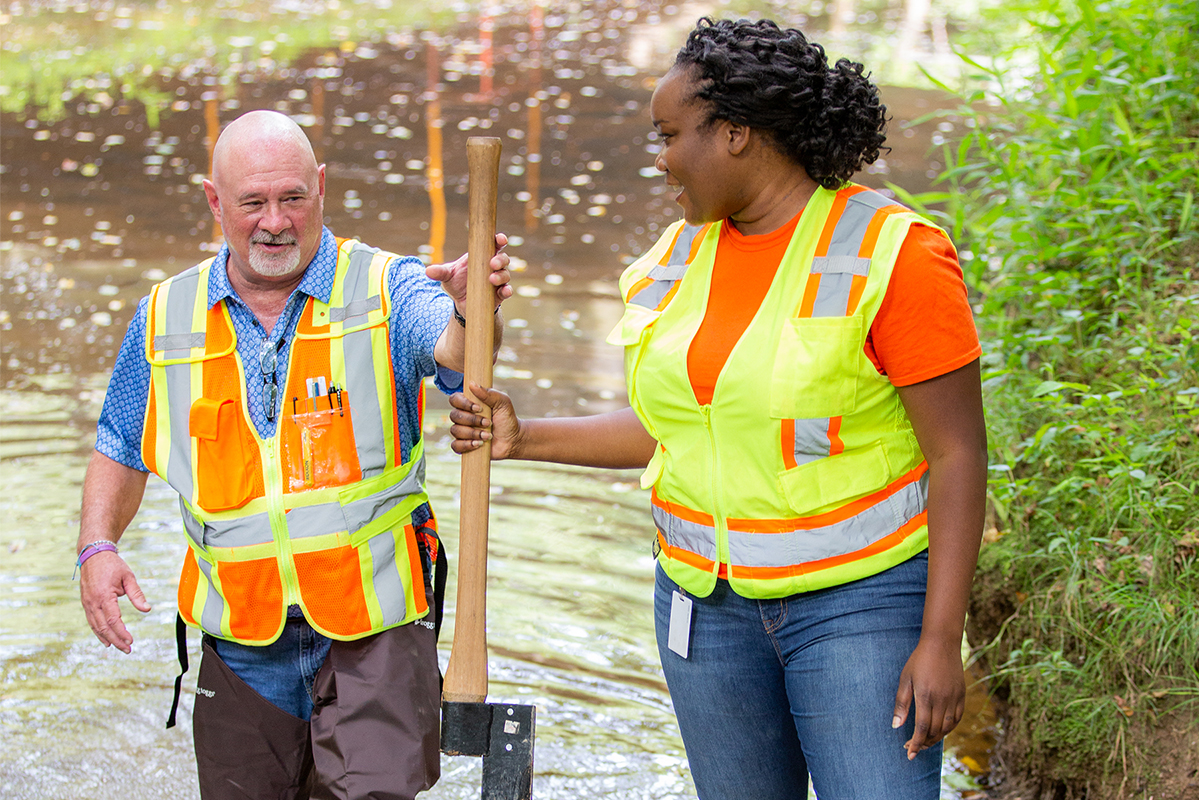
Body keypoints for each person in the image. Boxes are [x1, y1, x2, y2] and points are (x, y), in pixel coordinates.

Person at [448, 17, 987, 800]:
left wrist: (941, 639)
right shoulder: (673, 261)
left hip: (857, 609)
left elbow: (958, 455)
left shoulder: (893, 253)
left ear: (736, 133)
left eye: (669, 136)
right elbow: (676, 429)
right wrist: (524, 435)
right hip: (705, 615)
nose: (661, 160)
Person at [76, 109, 512, 800]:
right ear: (216, 203)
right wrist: (97, 547)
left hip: (375, 630)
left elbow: (456, 352)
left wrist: (468, 309)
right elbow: (121, 443)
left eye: (292, 198)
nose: (274, 222)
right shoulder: (164, 316)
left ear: (322, 188)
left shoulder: (385, 287)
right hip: (242, 644)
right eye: (252, 203)